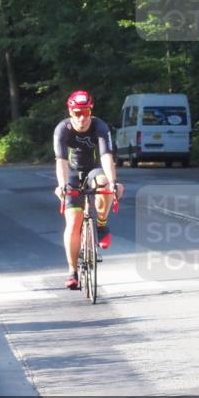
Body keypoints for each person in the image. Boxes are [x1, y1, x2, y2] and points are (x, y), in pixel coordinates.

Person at [53, 90, 124, 290]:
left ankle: (101, 224)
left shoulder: (100, 126)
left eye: (85, 112)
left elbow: (106, 156)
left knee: (104, 184)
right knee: (74, 222)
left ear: (90, 110)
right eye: (77, 113)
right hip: (73, 172)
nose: (82, 118)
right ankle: (72, 271)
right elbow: (61, 161)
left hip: (95, 168)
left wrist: (113, 182)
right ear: (70, 111)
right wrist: (62, 185)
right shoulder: (62, 129)